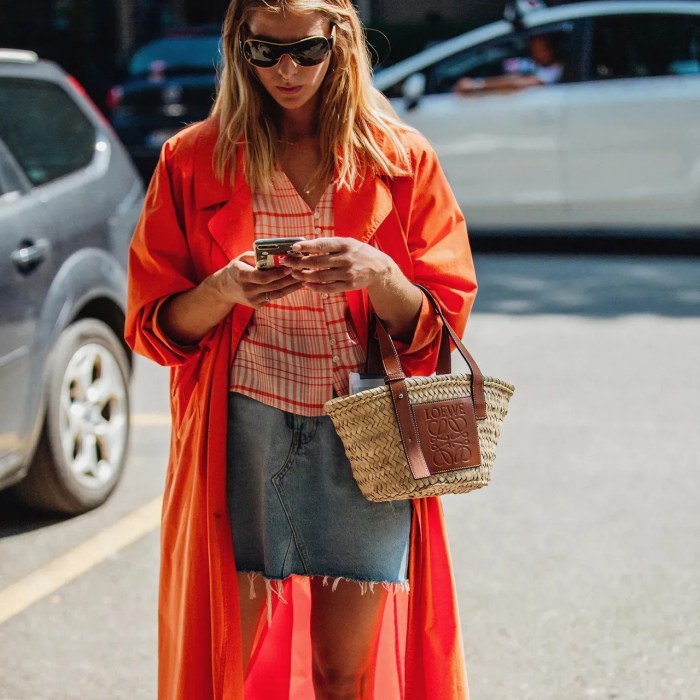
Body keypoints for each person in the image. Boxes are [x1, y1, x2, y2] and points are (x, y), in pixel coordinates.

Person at [125, 1, 477, 698]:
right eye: (265, 52)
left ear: (339, 42)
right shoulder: (193, 160)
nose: (286, 71)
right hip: (243, 431)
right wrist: (224, 288)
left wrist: (379, 273)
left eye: (306, 52)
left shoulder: (400, 159)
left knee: (338, 674)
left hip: (366, 434)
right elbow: (154, 327)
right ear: (238, 47)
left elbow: (443, 319)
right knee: (232, 660)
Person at [454, 32, 564, 95]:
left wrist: (477, 84)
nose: (537, 54)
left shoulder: (555, 70)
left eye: (541, 49)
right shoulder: (535, 63)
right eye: (533, 49)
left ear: (552, 49)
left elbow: (518, 83)